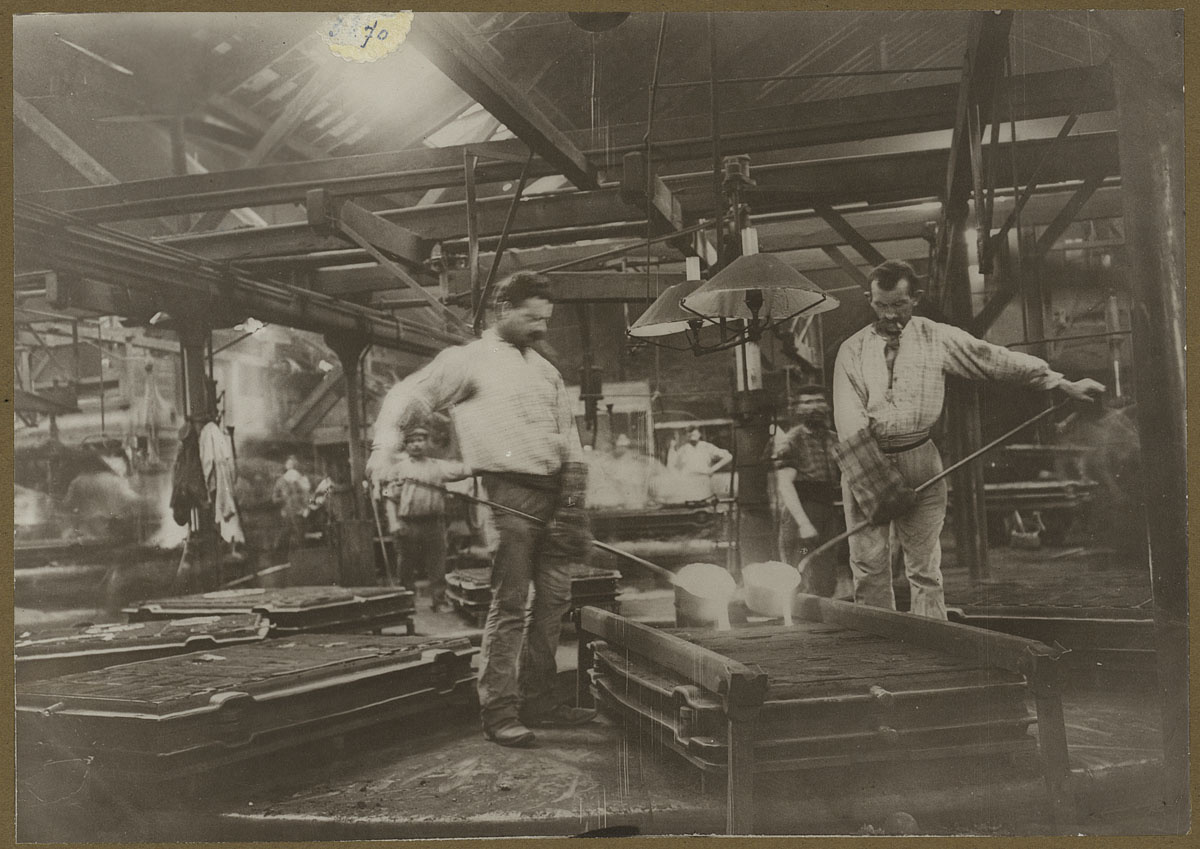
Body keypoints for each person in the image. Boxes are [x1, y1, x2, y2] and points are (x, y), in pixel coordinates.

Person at [368, 270, 597, 748]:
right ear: (503, 310)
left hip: (557, 498)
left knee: (554, 602)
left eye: (546, 320)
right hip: (506, 495)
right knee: (512, 603)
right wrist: (382, 449)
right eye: (532, 317)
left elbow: (570, 436)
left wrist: (573, 499)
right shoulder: (467, 361)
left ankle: (541, 699)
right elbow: (408, 397)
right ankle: (499, 709)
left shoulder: (546, 369)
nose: (541, 328)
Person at [832, 259, 1105, 619]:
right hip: (866, 460)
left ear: (915, 298)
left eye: (899, 305)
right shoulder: (851, 351)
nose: (891, 315)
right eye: (881, 305)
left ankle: (933, 636)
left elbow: (993, 359)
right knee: (869, 565)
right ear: (870, 299)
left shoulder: (936, 337)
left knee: (924, 566)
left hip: (920, 459)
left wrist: (1060, 382)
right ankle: (882, 644)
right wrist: (878, 482)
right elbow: (849, 420)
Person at [380, 426, 471, 610]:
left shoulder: (438, 466)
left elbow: (461, 472)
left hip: (434, 523)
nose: (416, 445)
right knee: (406, 566)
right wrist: (393, 522)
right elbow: (389, 498)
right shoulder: (398, 469)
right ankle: (406, 603)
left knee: (437, 564)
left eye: (420, 440)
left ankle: (439, 601)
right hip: (408, 523)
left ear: (427, 442)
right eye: (412, 441)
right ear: (406, 445)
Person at [772, 385, 849, 598]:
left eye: (818, 401)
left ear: (827, 406)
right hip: (801, 512)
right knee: (798, 576)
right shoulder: (792, 440)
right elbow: (785, 485)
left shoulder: (834, 439)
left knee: (825, 579)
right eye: (807, 402)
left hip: (827, 511)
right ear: (797, 409)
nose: (814, 407)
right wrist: (804, 523)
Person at [667, 427, 732, 502]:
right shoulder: (683, 449)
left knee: (704, 507)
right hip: (688, 485)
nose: (691, 434)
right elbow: (671, 466)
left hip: (703, 484)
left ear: (699, 433)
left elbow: (728, 456)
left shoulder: (707, 446)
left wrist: (713, 469)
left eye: (694, 431)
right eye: (689, 432)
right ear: (686, 435)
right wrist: (671, 448)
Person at [270, 455, 310, 561]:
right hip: (286, 514)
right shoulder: (280, 481)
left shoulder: (300, 479)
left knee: (300, 537)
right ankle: (282, 560)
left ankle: (302, 560)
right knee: (284, 537)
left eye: (293, 464)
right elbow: (274, 498)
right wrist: (283, 499)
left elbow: (306, 495)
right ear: (286, 466)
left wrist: (305, 508)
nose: (291, 467)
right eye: (289, 464)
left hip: (298, 513)